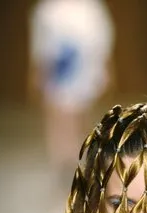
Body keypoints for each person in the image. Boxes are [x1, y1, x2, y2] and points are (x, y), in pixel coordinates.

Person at [28, 0, 115, 180]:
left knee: (80, 117)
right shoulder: (47, 9)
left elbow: (102, 40)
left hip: (84, 68)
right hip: (57, 69)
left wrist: (106, 68)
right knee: (58, 118)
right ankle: (63, 166)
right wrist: (38, 71)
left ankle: (82, 162)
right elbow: (41, 44)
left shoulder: (91, 8)